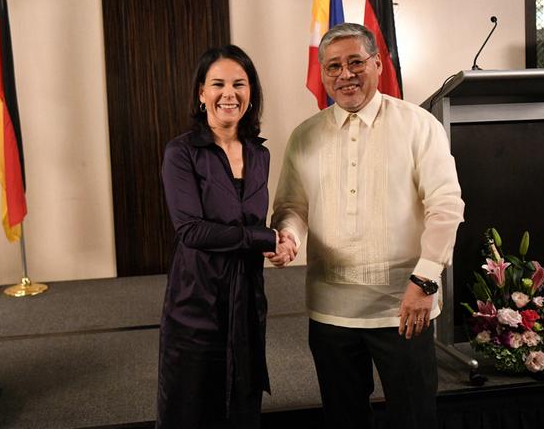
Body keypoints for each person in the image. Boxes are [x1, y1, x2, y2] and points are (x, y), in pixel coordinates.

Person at [267, 23, 464, 428]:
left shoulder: (418, 125)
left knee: (415, 418)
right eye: (333, 66)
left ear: (377, 63)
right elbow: (291, 206)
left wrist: (426, 281)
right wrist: (288, 236)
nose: (345, 74)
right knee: (344, 419)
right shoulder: (304, 136)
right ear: (322, 74)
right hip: (330, 311)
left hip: (404, 306)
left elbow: (446, 206)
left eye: (356, 62)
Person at [156, 44, 292, 429]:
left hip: (247, 299)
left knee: (242, 410)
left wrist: (280, 242)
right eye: (218, 84)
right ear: (202, 93)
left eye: (239, 84)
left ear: (251, 94)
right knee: (191, 409)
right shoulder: (180, 152)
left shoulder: (259, 153)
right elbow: (191, 230)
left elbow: (251, 222)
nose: (228, 94)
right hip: (196, 301)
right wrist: (266, 238)